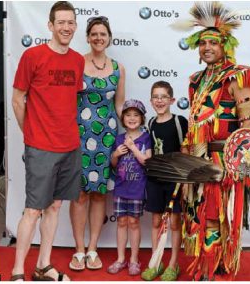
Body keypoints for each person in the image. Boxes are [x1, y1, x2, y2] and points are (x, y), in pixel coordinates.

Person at [172, 1, 250, 281]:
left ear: (225, 46)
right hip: (196, 158)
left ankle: (211, 270)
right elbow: (195, 119)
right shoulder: (196, 79)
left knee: (214, 215)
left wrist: (242, 160)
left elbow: (249, 121)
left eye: (214, 43)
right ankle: (205, 265)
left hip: (222, 159)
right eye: (203, 43)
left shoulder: (238, 75)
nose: (207, 48)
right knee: (196, 214)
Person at [10, 1, 84, 281]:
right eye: (61, 22)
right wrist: (30, 134)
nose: (66, 27)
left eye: (70, 22)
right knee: (33, 210)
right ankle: (18, 270)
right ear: (50, 26)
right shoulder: (33, 56)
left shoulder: (77, 60)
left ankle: (43, 265)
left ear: (75, 26)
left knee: (55, 207)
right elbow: (18, 99)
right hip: (41, 146)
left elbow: (67, 101)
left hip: (70, 145)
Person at [69, 16, 125, 271]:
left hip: (108, 139)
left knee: (99, 193)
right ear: (88, 37)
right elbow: (66, 101)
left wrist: (130, 136)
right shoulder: (76, 63)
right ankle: (79, 250)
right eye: (94, 34)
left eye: (103, 34)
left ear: (109, 37)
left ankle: (93, 249)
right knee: (79, 193)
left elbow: (120, 105)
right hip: (78, 136)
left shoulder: (118, 68)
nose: (99, 38)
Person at [141, 81, 188, 281]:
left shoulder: (179, 122)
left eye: (163, 97)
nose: (159, 100)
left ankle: (173, 264)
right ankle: (156, 261)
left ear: (172, 100)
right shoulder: (150, 123)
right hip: (155, 179)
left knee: (175, 223)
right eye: (156, 97)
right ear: (151, 101)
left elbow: (186, 151)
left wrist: (185, 181)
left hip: (174, 180)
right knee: (155, 221)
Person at [106, 99, 152, 275]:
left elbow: (146, 162)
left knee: (133, 222)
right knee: (121, 222)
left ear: (142, 118)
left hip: (137, 188)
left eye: (136, 115)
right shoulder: (118, 138)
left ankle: (134, 259)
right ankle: (120, 259)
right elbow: (113, 164)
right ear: (123, 118)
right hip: (120, 187)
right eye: (128, 115)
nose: (132, 118)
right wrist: (115, 154)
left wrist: (133, 148)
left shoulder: (146, 138)